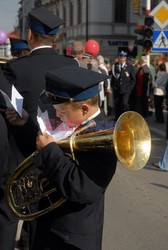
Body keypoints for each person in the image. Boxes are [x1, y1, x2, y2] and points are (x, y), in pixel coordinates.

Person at [6, 65, 117, 250]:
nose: (57, 114)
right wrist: (26, 125)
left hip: (70, 239)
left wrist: (49, 152)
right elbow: (52, 144)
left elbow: (85, 188)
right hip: (49, 230)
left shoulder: (103, 134)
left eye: (61, 111)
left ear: (83, 109)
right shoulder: (74, 121)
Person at [0, 6, 77, 123]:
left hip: (29, 137)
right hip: (65, 136)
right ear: (55, 37)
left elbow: (6, 107)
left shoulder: (15, 67)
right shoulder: (72, 64)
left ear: (30, 34)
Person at [111, 51, 136, 120]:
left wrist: (130, 88)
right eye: (120, 57)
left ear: (125, 58)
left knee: (124, 103)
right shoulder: (115, 66)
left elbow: (133, 79)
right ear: (118, 57)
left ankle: (125, 118)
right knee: (117, 104)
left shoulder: (129, 67)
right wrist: (113, 86)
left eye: (123, 57)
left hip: (126, 89)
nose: (122, 59)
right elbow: (113, 77)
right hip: (117, 88)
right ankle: (117, 119)